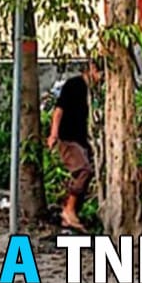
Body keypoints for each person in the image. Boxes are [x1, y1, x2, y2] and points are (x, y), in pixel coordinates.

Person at [46, 59, 102, 232]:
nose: (101, 79)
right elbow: (58, 110)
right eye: (101, 74)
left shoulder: (91, 91)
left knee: (86, 173)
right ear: (91, 69)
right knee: (84, 171)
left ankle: (69, 216)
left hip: (80, 139)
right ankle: (68, 210)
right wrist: (54, 134)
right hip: (67, 137)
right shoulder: (74, 85)